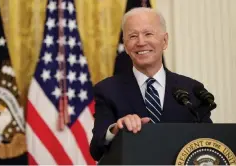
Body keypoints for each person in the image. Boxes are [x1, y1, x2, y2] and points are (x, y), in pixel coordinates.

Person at [89, 7, 213, 161]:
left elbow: (209, 143)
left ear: (165, 41)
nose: (141, 42)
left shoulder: (193, 90)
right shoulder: (107, 90)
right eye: (133, 36)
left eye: (148, 34)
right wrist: (116, 129)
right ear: (125, 45)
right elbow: (96, 149)